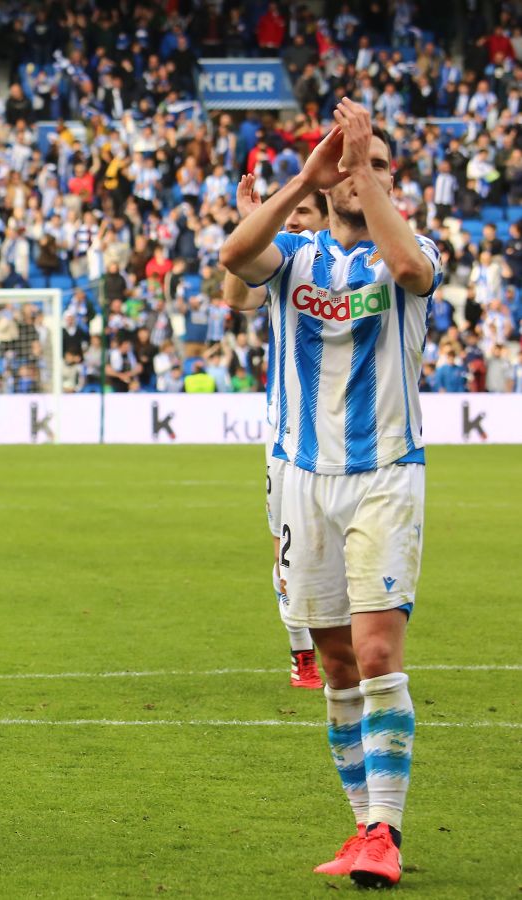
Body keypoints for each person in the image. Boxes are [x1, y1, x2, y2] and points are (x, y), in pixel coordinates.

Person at [222, 99, 440, 890]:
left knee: (378, 650)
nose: (359, 170)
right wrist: (305, 177)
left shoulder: (412, 253)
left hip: (383, 472)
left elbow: (411, 269)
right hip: (300, 480)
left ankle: (386, 829)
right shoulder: (295, 256)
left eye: (376, 163)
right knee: (336, 660)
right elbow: (233, 254)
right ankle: (359, 827)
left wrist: (361, 168)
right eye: (352, 161)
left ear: (389, 181)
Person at [223, 173, 330, 691]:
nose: (293, 222)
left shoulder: (345, 268)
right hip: (287, 434)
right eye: (287, 215)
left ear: (329, 218)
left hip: (349, 436)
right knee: (286, 551)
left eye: (304, 213)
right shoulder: (282, 262)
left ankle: (348, 647)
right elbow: (236, 297)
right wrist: (251, 222)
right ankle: (302, 653)